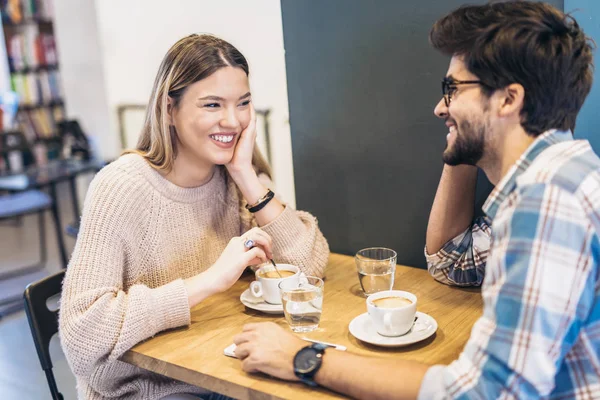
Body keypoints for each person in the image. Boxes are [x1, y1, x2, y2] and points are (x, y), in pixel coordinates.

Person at [233, 2, 600, 398]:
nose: (440, 107)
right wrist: (465, 144)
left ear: (508, 100)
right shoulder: (561, 177)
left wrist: (304, 358)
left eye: (453, 89)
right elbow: (453, 263)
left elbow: (485, 394)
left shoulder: (545, 204)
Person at [58, 34, 329, 400]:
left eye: (243, 103)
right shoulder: (120, 187)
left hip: (222, 369)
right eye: (212, 104)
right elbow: (80, 334)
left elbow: (310, 269)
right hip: (149, 388)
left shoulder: (233, 174)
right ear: (170, 109)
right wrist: (209, 280)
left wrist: (248, 179)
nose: (232, 121)